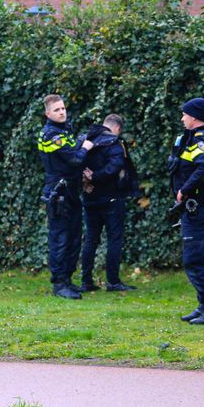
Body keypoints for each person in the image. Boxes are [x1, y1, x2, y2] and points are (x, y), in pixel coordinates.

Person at [168, 97, 204, 325]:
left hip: (198, 208)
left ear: (193, 117)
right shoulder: (203, 139)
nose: (182, 118)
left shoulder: (202, 140)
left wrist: (184, 189)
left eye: (184, 114)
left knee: (194, 258)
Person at [37, 94, 94, 300]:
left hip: (71, 189)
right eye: (57, 110)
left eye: (63, 108)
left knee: (74, 236)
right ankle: (59, 283)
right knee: (60, 238)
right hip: (58, 192)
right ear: (47, 113)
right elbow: (73, 159)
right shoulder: (52, 134)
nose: (62, 112)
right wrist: (86, 147)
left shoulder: (64, 130)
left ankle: (68, 279)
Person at [80, 114, 140, 292]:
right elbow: (115, 167)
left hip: (89, 198)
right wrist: (96, 177)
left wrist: (86, 180)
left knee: (91, 239)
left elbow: (74, 163)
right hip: (112, 198)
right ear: (118, 129)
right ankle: (113, 281)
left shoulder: (85, 140)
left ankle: (86, 281)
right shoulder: (114, 143)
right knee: (114, 239)